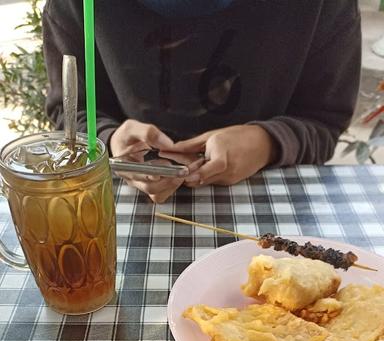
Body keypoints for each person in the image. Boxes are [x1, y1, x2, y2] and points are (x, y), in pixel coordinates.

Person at [43, 0, 361, 204]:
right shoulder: (76, 7)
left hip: (277, 209)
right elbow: (71, 112)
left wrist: (266, 142)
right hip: (124, 207)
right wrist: (109, 140)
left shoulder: (323, 8)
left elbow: (324, 121)